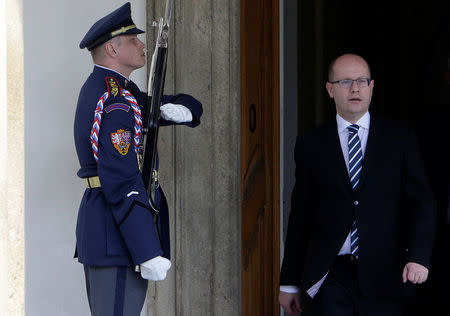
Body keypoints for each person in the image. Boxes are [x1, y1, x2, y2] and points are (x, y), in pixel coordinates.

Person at [279, 53, 435, 316]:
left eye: (362, 81)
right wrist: (289, 282)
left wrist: (418, 256)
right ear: (330, 90)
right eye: (345, 82)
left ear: (372, 87)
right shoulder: (311, 144)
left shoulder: (399, 138)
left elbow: (422, 202)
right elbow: (301, 216)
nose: (355, 88)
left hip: (385, 273)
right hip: (329, 276)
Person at [73, 2, 202, 315]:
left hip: (111, 230)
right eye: (133, 40)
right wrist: (146, 250)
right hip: (117, 233)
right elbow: (122, 180)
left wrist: (186, 110)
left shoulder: (116, 91)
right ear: (112, 49)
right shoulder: (114, 101)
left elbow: (168, 103)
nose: (142, 44)